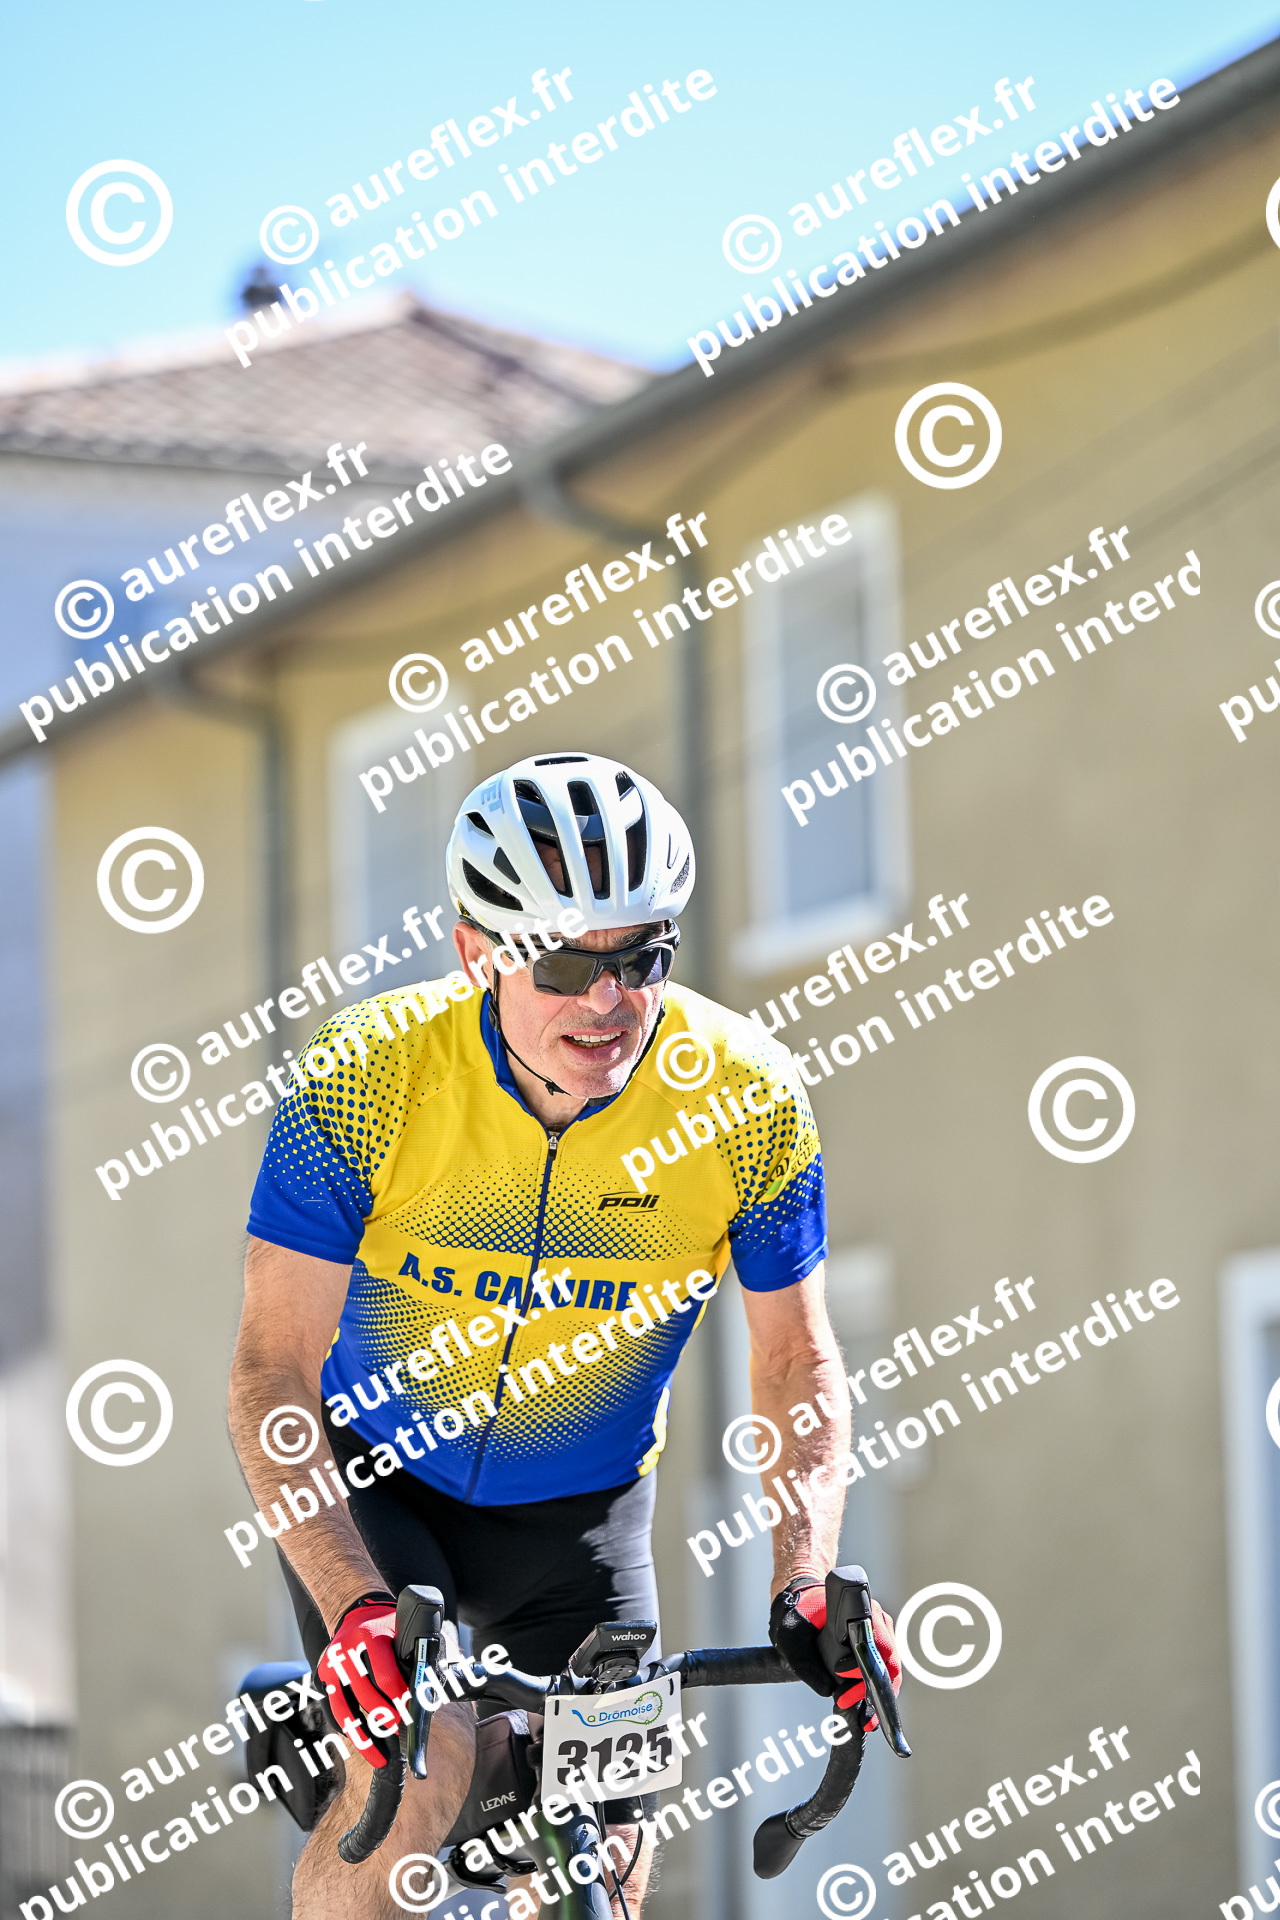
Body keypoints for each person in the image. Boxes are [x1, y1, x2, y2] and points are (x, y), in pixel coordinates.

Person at [228, 750, 900, 1918]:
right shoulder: (366, 1078)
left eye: (639, 958)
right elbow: (268, 1372)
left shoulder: (744, 1099)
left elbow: (795, 1360)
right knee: (416, 1774)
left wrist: (803, 1577)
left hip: (581, 1517)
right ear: (473, 951)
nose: (605, 1001)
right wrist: (353, 1608)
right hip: (381, 1482)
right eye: (563, 962)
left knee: (607, 1861)